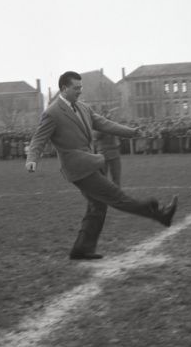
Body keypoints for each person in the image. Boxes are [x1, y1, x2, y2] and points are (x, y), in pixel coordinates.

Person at [26, 71, 178, 260]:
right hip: (78, 169)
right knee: (117, 197)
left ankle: (81, 249)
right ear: (64, 89)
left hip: (91, 163)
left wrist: (131, 132)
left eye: (81, 87)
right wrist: (32, 159)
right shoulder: (52, 113)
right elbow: (38, 139)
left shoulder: (83, 107)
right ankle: (160, 215)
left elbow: (104, 124)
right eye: (76, 88)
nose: (80, 91)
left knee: (97, 206)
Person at [93, 110, 122, 187]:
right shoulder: (98, 126)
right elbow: (96, 136)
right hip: (103, 153)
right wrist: (104, 125)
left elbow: (119, 133)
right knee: (103, 178)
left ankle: (116, 193)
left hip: (114, 153)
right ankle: (104, 193)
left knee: (116, 177)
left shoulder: (113, 124)